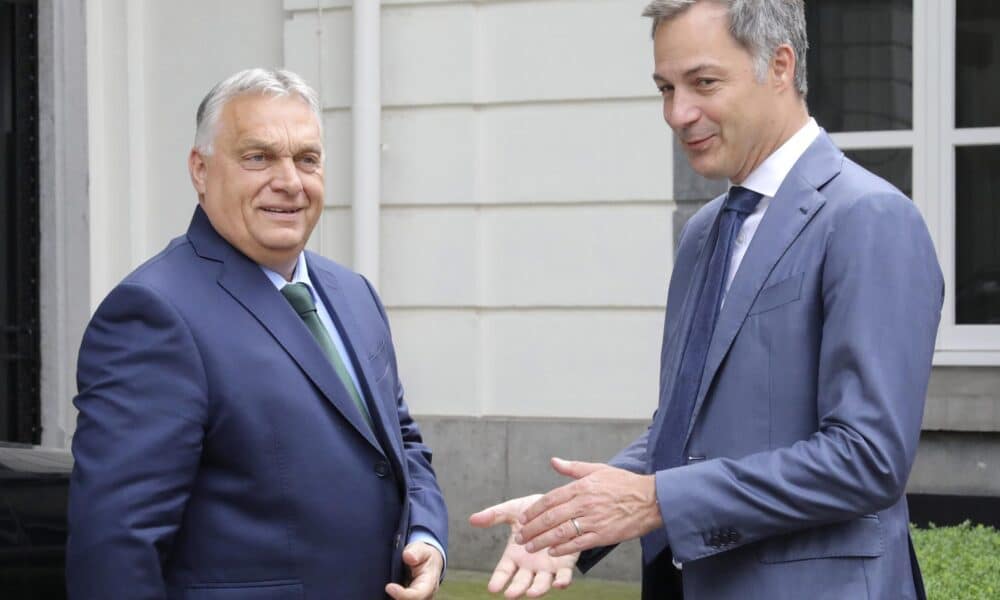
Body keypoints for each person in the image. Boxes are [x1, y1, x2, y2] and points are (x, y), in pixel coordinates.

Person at [470, 1, 942, 598]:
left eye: (703, 83)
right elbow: (687, 431)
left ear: (779, 65)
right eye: (665, 88)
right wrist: (573, 516)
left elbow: (867, 459)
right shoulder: (704, 233)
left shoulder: (869, 217)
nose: (677, 113)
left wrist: (656, 500)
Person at [67, 68, 448, 600]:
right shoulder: (153, 314)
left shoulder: (353, 294)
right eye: (258, 157)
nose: (290, 181)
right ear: (200, 170)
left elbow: (399, 447)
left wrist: (427, 536)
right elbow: (115, 545)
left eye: (307, 159)